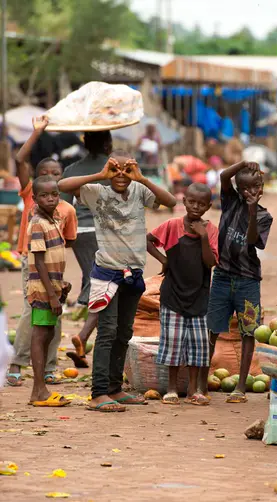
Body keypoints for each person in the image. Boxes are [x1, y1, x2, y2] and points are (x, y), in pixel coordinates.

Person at [58, 151, 176, 412]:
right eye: (115, 169)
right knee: (107, 332)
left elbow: (170, 201)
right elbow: (62, 185)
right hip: (107, 273)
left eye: (127, 169)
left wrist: (143, 179)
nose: (121, 175)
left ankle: (114, 388)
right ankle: (98, 392)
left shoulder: (139, 190)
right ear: (107, 169)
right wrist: (101, 174)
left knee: (124, 332)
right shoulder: (97, 191)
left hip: (133, 274)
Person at [7, 116, 77, 387]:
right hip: (33, 262)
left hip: (56, 267)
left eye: (57, 176)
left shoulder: (66, 209)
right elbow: (20, 159)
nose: (51, 181)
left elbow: (68, 241)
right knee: (30, 312)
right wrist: (37, 131)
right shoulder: (30, 196)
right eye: (45, 174)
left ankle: (48, 367)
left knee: (55, 315)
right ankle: (17, 363)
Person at [206, 161, 272, 403]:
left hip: (247, 280)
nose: (251, 192)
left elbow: (254, 241)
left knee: (248, 331)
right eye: (246, 188)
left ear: (262, 188)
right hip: (222, 276)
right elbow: (224, 175)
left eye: (256, 186)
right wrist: (243, 163)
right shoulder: (231, 202)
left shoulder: (264, 215)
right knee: (212, 329)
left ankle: (241, 386)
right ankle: (202, 381)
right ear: (238, 189)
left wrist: (253, 210)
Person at [147, 183, 219, 406]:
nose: (196, 207)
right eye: (191, 202)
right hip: (173, 295)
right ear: (184, 201)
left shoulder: (212, 230)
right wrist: (164, 260)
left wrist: (204, 237)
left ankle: (194, 390)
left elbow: (211, 262)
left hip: (199, 295)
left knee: (199, 345)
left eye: (201, 203)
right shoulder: (171, 226)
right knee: (173, 343)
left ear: (208, 206)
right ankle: (171, 389)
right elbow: (148, 240)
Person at [60, 131, 112, 368]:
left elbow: (62, 205)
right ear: (108, 144)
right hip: (105, 233)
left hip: (79, 233)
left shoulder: (71, 169)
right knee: (104, 284)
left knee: (97, 282)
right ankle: (84, 338)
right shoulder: (114, 168)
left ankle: (86, 345)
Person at [26, 175, 73, 407]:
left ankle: (39, 388)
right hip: (42, 289)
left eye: (54, 194)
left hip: (52, 286)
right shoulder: (37, 223)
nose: (50, 199)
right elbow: (40, 262)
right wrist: (52, 294)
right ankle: (39, 390)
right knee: (40, 334)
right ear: (34, 199)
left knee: (49, 334)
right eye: (44, 195)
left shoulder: (54, 220)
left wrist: (60, 284)